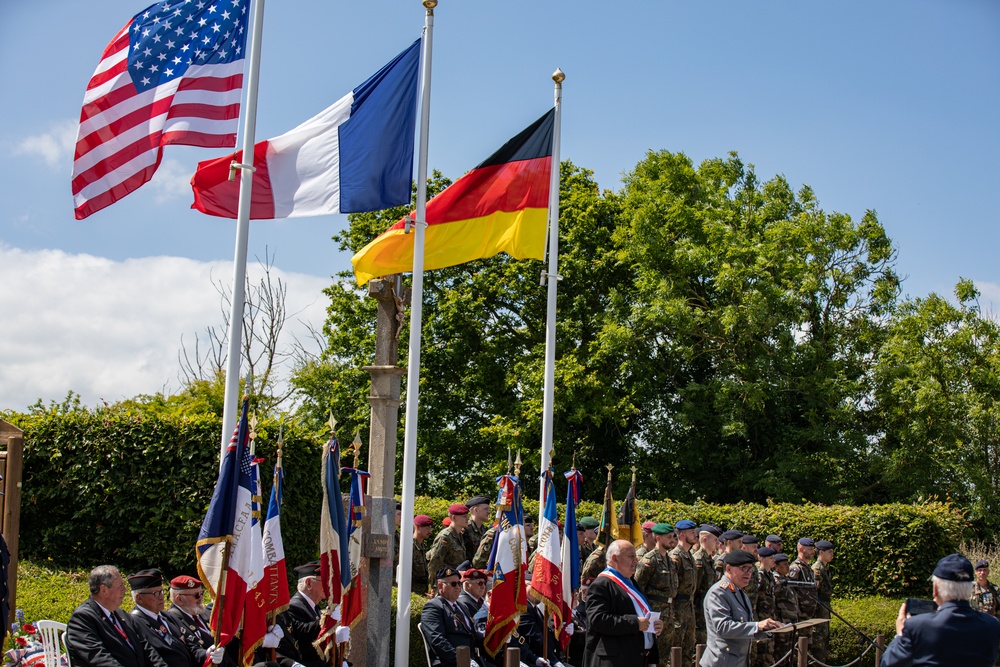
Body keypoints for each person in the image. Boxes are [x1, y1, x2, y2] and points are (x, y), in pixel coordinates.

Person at [882, 553, 1000, 667]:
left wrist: (901, 634)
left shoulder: (917, 626)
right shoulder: (992, 625)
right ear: (970, 590)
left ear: (935, 590)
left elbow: (889, 663)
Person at [66, 565, 169, 667]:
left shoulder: (121, 614)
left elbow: (146, 649)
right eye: (120, 586)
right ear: (104, 590)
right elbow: (100, 658)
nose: (124, 590)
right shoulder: (82, 618)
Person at [585, 540, 663, 667]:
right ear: (615, 558)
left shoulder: (631, 583)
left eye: (635, 557)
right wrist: (635, 623)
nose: (636, 561)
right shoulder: (602, 584)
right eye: (631, 556)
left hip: (638, 658)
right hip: (615, 660)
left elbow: (639, 611)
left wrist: (653, 625)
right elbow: (597, 619)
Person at [700, 550, 782, 667]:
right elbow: (723, 627)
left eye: (750, 569)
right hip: (721, 662)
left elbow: (743, 629)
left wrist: (768, 630)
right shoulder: (718, 592)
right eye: (743, 568)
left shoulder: (739, 591)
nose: (748, 573)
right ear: (728, 569)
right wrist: (756, 626)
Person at [127, 569, 209, 667]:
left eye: (161, 591)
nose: (161, 597)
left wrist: (207, 653)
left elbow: (190, 645)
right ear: (139, 598)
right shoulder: (134, 623)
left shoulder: (168, 617)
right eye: (156, 593)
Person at [420, 567, 483, 667]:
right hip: (450, 662)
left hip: (472, 659)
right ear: (440, 586)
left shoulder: (462, 607)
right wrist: (461, 660)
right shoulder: (434, 607)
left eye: (459, 584)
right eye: (453, 584)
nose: (457, 587)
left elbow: (473, 635)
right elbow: (437, 640)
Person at [634, 522, 678, 664]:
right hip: (654, 613)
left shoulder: (670, 561)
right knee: (653, 656)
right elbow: (638, 588)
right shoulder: (649, 560)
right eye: (669, 537)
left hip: (669, 612)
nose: (672, 540)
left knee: (665, 656)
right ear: (658, 538)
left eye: (673, 537)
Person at [276, 562, 336, 667]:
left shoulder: (314, 607)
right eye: (324, 581)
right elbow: (303, 635)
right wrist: (328, 620)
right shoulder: (294, 606)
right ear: (308, 583)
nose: (328, 585)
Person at [670, 520, 700, 661]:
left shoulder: (689, 556)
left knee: (689, 650)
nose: (696, 536)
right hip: (677, 609)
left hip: (688, 607)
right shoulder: (676, 557)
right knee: (676, 650)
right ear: (682, 535)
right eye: (692, 533)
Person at [163, 576, 214, 657]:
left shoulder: (201, 612)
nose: (201, 597)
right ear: (179, 599)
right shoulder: (172, 621)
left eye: (201, 593)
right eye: (196, 595)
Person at [693, 524, 721, 646]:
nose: (718, 543)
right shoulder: (699, 560)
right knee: (700, 645)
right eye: (715, 540)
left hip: (708, 610)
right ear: (705, 539)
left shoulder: (710, 560)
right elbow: (695, 589)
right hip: (699, 611)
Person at [751, 548, 778, 667]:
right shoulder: (760, 575)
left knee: (769, 652)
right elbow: (754, 596)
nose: (773, 561)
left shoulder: (770, 575)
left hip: (769, 617)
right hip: (761, 618)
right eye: (771, 558)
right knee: (761, 653)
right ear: (761, 559)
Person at [428, 504, 470, 577]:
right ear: (454, 518)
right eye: (464, 516)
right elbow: (434, 563)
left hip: (455, 580)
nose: (467, 519)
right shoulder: (445, 536)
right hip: (445, 580)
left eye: (467, 516)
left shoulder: (459, 535)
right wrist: (434, 585)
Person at [771, 554, 798, 664]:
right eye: (784, 565)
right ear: (776, 566)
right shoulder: (776, 580)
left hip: (791, 619)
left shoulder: (786, 579)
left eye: (788, 564)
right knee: (781, 653)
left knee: (790, 653)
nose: (788, 567)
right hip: (782, 620)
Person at [810, 540, 835, 661]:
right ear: (821, 552)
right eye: (829, 552)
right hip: (819, 610)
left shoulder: (825, 568)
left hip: (824, 609)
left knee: (824, 641)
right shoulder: (817, 569)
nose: (832, 554)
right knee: (818, 642)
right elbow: (814, 592)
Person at [412, 514, 435, 595]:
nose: (430, 531)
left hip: (422, 591)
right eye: (427, 528)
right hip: (412, 592)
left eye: (430, 528)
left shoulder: (421, 545)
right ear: (418, 528)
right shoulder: (410, 546)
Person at [463, 497, 491, 563]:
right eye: (485, 509)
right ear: (476, 510)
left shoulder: (485, 530)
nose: (489, 512)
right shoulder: (465, 529)